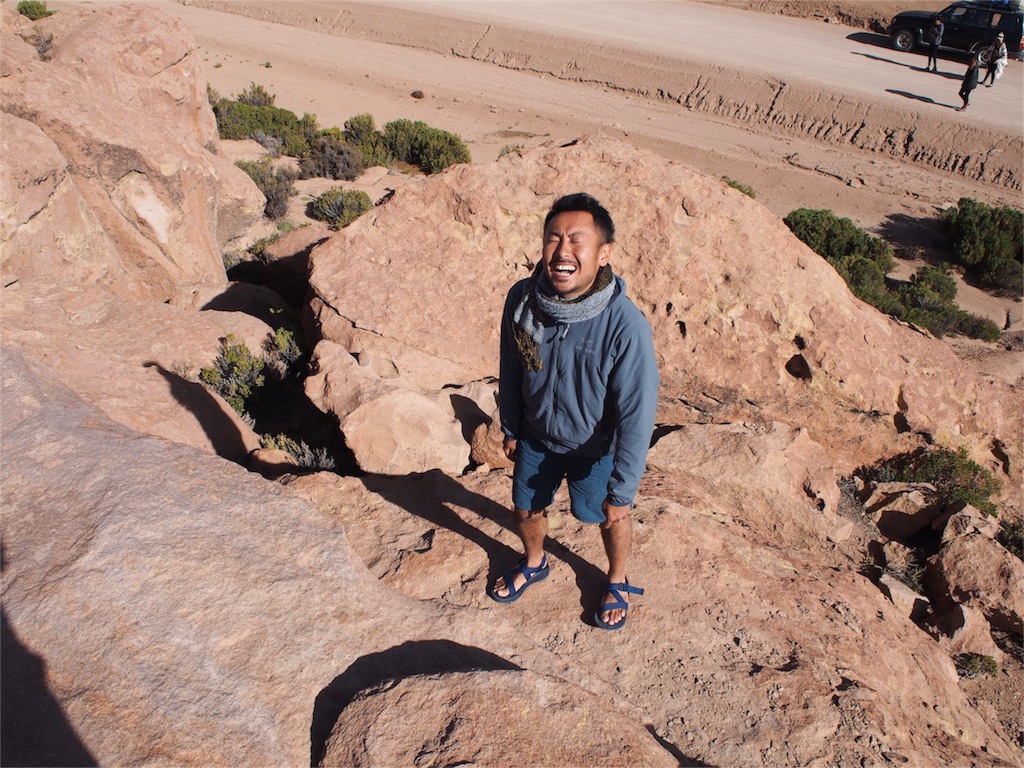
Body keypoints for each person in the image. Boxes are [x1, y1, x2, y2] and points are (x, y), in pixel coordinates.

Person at [490, 192, 659, 631]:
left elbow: (637, 413)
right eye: (553, 238)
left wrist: (622, 489)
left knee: (609, 516)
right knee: (525, 509)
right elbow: (511, 365)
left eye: (576, 240)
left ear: (604, 254)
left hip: (596, 448)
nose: (562, 250)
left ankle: (617, 578)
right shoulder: (523, 299)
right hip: (537, 436)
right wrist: (511, 426)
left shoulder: (624, 324)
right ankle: (535, 561)